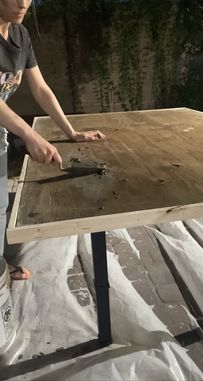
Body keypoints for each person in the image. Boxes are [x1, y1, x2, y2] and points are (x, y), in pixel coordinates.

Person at [0, 0, 105, 280]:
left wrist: (71, 132)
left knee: (0, 206)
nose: (23, 3)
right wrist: (30, 135)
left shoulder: (20, 35)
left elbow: (41, 88)